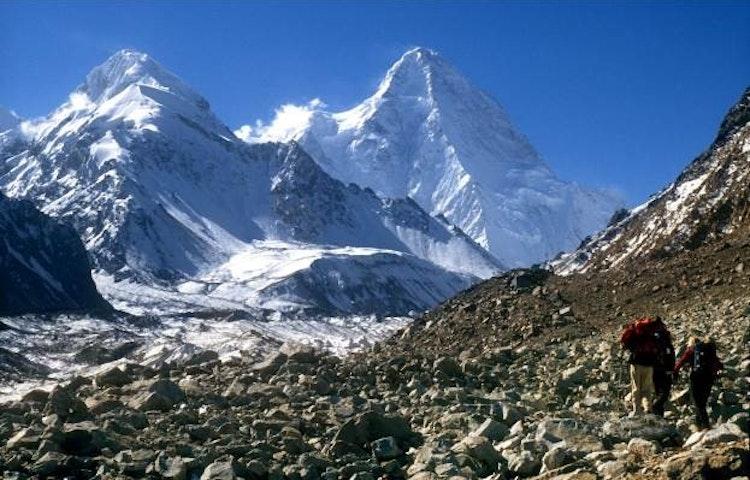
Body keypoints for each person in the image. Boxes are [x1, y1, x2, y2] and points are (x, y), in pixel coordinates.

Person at [674, 337, 723, 429]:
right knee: (702, 403)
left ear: (690, 343)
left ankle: (705, 425)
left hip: (696, 378)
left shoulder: (691, 350)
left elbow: (680, 362)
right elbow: (718, 364)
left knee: (697, 403)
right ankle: (699, 425)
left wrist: (675, 372)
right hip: (709, 378)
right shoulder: (709, 350)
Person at [620, 317, 659, 415]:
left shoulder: (635, 331)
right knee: (647, 388)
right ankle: (647, 407)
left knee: (636, 387)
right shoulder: (650, 331)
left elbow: (624, 342)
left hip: (636, 362)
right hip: (649, 363)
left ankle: (636, 409)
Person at [651, 317, 675, 416]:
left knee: (659, 393)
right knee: (664, 393)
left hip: (654, 369)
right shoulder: (663, 336)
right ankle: (655, 409)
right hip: (664, 369)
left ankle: (658, 415)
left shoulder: (653, 336)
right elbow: (670, 354)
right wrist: (671, 368)